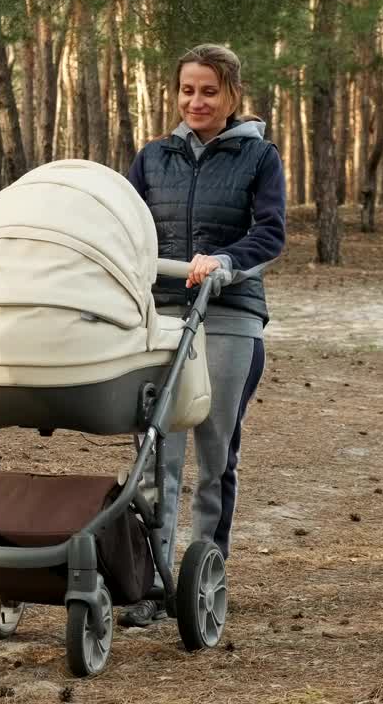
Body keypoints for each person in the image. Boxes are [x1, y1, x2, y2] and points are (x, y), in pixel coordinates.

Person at [119, 43, 286, 627]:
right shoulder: (153, 156)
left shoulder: (260, 156)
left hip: (230, 312)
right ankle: (153, 581)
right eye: (188, 89)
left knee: (214, 451)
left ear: (232, 95)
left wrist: (222, 261)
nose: (197, 101)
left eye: (209, 90)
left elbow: (270, 235)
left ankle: (204, 574)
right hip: (162, 315)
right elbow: (128, 225)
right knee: (157, 450)